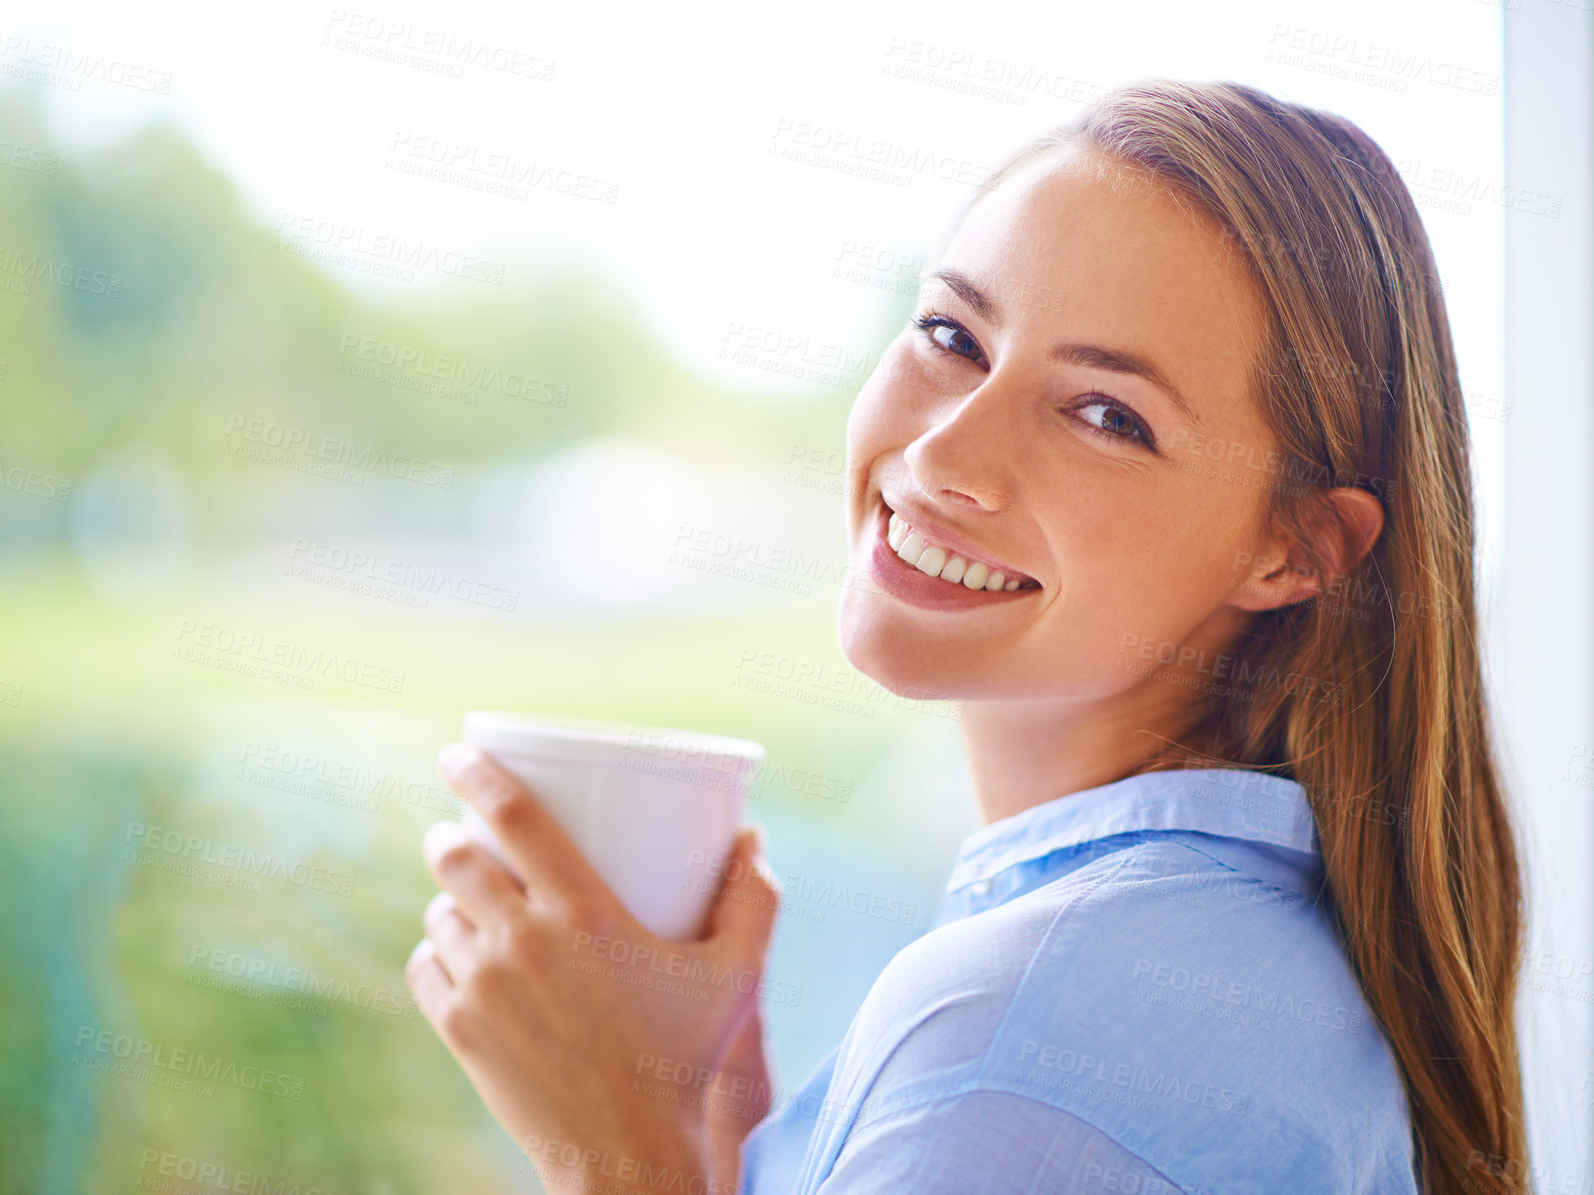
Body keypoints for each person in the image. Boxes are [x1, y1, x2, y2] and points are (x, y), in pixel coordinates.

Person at [405, 79, 1530, 1194]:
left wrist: (610, 1145)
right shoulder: (1216, 940)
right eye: (953, 335)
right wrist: (719, 1128)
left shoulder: (1028, 1033)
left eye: (1106, 415)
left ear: (1297, 549)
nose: (944, 456)